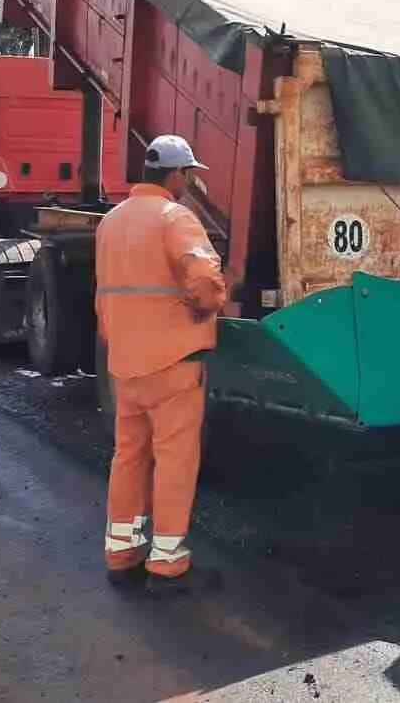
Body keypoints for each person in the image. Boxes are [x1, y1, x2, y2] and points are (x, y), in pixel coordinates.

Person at [95, 135, 227, 591]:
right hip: (173, 362)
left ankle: (121, 552)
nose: (190, 182)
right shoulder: (176, 218)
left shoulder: (110, 222)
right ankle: (167, 561)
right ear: (177, 175)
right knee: (174, 459)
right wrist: (209, 306)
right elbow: (206, 281)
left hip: (126, 363)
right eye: (190, 174)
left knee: (129, 455)